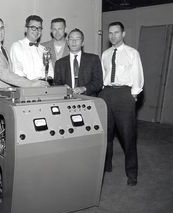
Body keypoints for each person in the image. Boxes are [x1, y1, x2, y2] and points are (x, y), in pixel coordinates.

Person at [99, 21, 144, 186]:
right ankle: (106, 165)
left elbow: (138, 76)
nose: (112, 36)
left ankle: (132, 175)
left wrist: (133, 95)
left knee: (128, 136)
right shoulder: (105, 54)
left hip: (125, 94)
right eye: (110, 33)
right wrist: (104, 92)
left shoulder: (133, 53)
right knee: (106, 134)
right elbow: (104, 75)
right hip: (107, 93)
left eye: (116, 32)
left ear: (123, 34)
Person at [0, 16, 48, 99]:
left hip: (4, 97)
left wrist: (33, 82)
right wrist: (31, 84)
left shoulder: (4, 49)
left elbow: (11, 73)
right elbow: (4, 74)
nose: (0, 32)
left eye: (2, 28)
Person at [54, 28, 103, 96]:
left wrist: (84, 88)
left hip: (88, 100)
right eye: (71, 39)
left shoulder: (93, 59)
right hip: (67, 100)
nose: (74, 41)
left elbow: (98, 83)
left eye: (77, 39)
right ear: (67, 42)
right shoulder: (59, 63)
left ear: (82, 43)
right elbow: (56, 84)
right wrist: (63, 87)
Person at [10, 15, 54, 81]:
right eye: (33, 27)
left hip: (43, 88)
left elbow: (50, 71)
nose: (36, 31)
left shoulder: (44, 50)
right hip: (25, 88)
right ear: (26, 29)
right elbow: (17, 71)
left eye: (39, 28)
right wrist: (32, 84)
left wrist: (47, 80)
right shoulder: (17, 46)